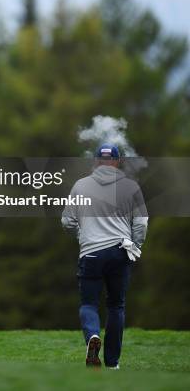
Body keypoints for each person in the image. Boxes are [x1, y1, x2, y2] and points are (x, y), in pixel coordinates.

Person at [61, 143, 148, 368]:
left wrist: (83, 235)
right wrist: (134, 245)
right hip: (120, 251)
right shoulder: (131, 186)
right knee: (116, 306)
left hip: (90, 253)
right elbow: (141, 223)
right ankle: (112, 363)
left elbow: (67, 221)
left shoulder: (80, 186)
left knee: (88, 304)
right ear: (118, 162)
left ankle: (92, 336)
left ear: (96, 161)